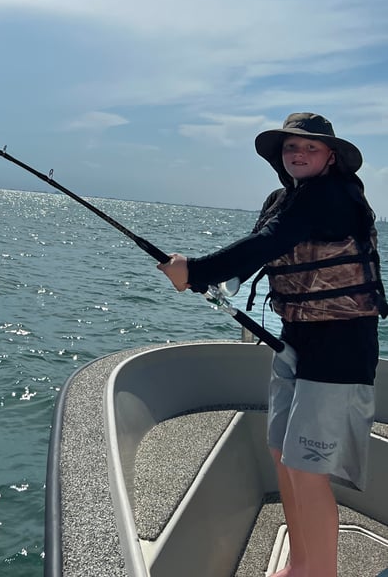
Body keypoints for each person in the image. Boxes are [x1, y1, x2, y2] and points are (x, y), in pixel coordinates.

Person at [158, 113, 387, 577]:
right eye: (290, 148)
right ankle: (300, 563)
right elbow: (262, 251)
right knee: (283, 455)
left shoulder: (334, 197)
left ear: (331, 157)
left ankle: (321, 572)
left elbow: (270, 241)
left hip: (341, 349)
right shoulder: (287, 199)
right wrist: (216, 279)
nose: (298, 154)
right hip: (296, 338)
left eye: (309, 147)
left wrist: (195, 270)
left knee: (307, 468)